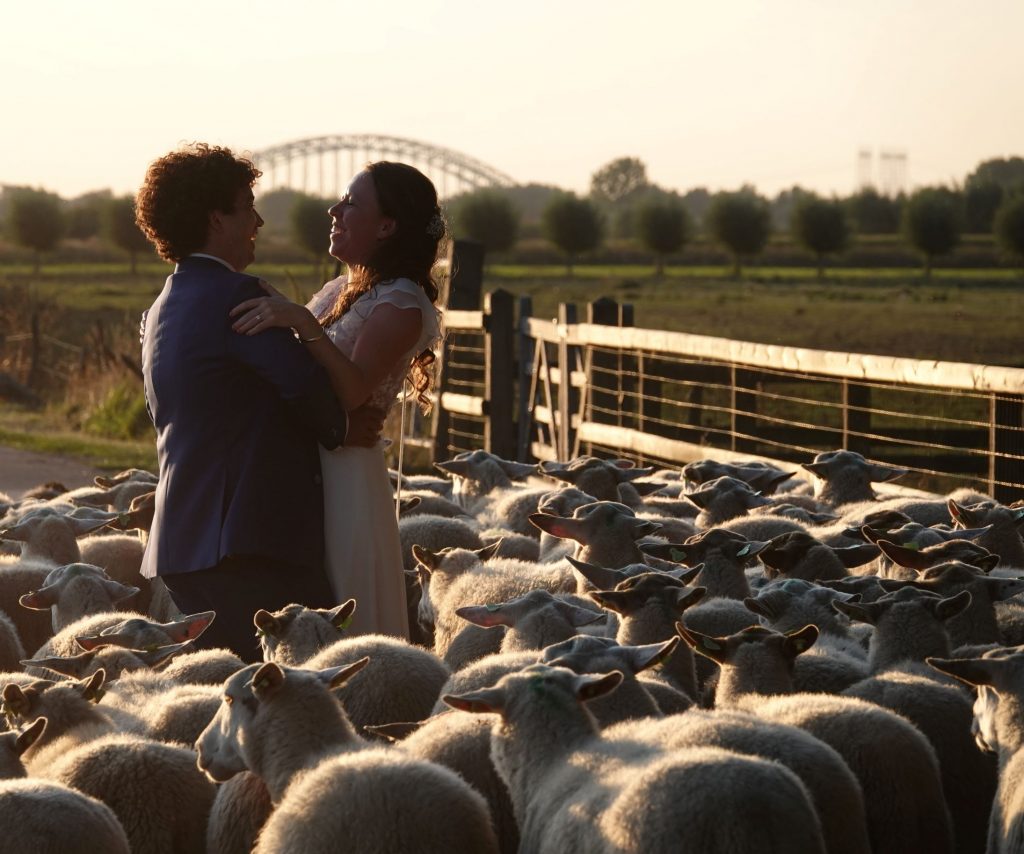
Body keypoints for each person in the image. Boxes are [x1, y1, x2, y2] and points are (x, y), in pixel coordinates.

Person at [135, 143, 384, 662]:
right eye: (247, 207)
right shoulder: (238, 297)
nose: (259, 220)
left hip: (182, 541)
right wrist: (342, 427)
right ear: (216, 218)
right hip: (250, 543)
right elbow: (301, 384)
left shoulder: (163, 305)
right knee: (305, 691)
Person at [230, 161, 445, 639]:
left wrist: (300, 323)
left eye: (350, 203)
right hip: (311, 457)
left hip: (345, 469)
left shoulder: (401, 303)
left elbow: (352, 391)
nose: (334, 209)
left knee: (342, 588)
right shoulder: (340, 289)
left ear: (387, 226)